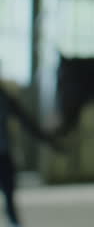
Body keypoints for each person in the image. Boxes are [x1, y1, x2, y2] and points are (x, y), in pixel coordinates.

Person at [1, 69, 59, 227]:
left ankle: (13, 221)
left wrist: (49, 140)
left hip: (3, 155)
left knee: (9, 194)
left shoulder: (4, 97)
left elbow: (27, 122)